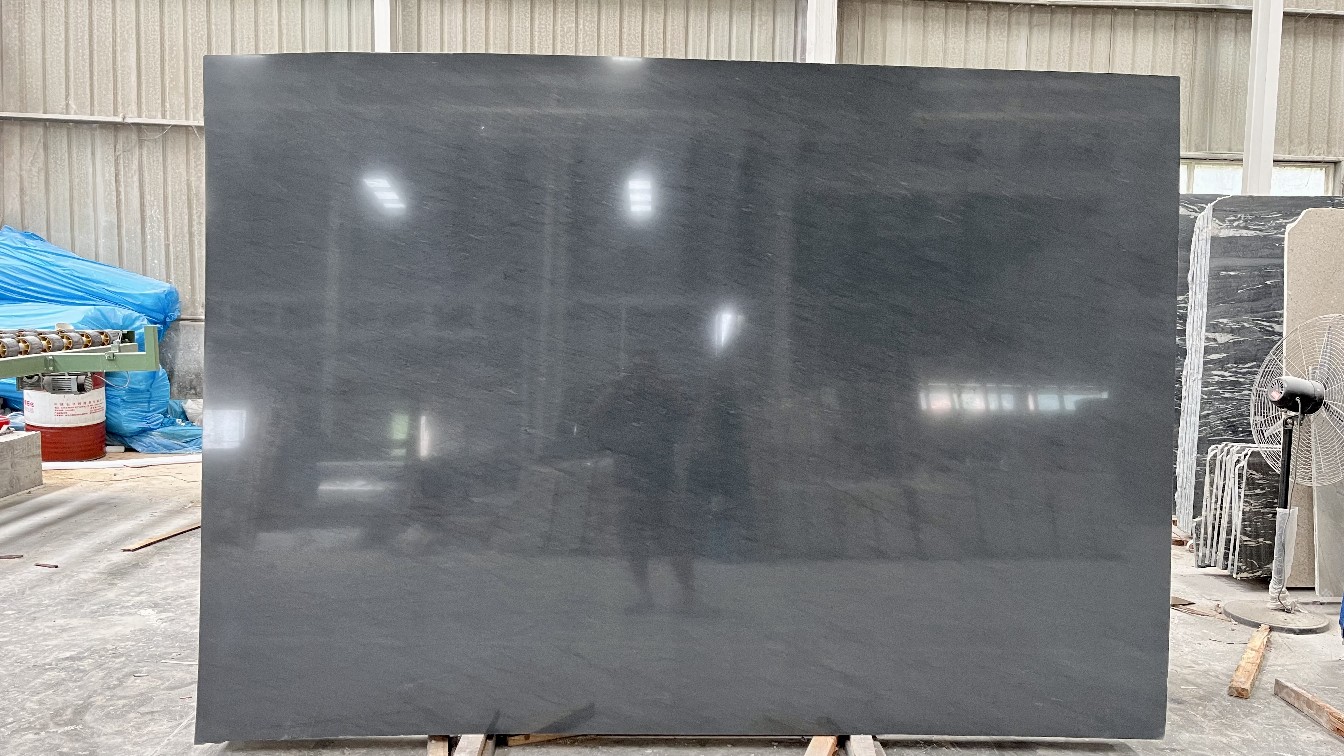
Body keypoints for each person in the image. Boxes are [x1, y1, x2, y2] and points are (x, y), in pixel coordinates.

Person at [589, 350, 695, 613]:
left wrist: (663, 387)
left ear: (655, 370)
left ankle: (688, 595)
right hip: (630, 475)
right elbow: (594, 417)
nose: (641, 376)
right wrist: (617, 387)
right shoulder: (622, 396)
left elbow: (687, 415)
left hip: (660, 476)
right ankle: (644, 595)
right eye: (637, 369)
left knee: (671, 537)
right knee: (633, 538)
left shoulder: (665, 395)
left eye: (647, 369)